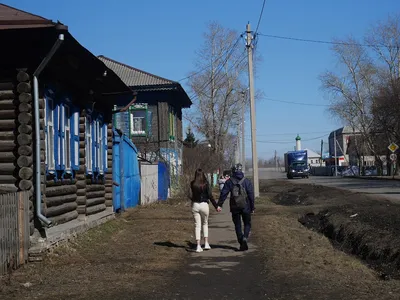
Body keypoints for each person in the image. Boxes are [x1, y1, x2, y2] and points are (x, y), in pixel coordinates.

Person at [217, 163, 255, 251]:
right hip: (246, 206)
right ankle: (245, 237)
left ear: (233, 171)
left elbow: (223, 193)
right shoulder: (246, 181)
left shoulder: (229, 181)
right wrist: (252, 207)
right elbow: (251, 195)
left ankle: (241, 240)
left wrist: (219, 204)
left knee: (237, 225)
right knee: (247, 224)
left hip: (234, 207)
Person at [190, 169, 218, 253]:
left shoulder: (192, 184)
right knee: (205, 223)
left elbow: (190, 195)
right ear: (203, 175)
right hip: (204, 205)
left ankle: (198, 246)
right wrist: (216, 206)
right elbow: (210, 195)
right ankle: (206, 243)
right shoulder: (206, 183)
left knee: (197, 225)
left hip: (195, 205)